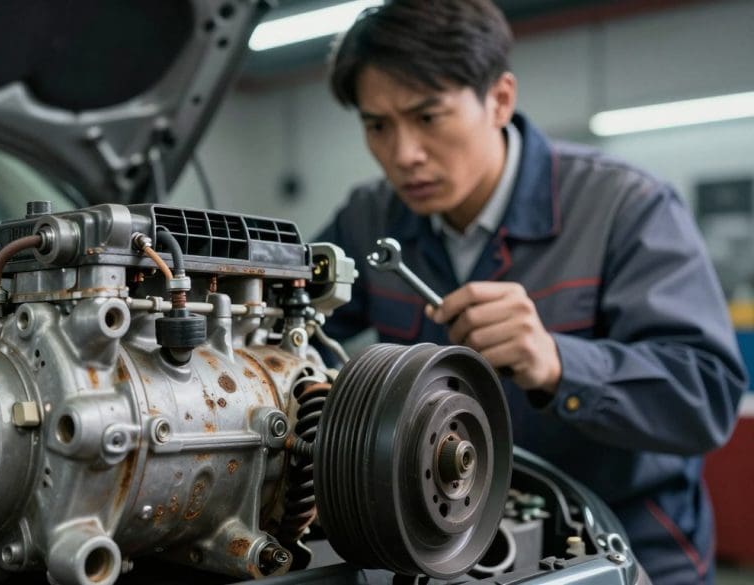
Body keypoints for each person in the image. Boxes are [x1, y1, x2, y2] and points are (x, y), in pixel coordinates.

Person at [315, 1, 748, 583]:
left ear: (499, 99)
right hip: (442, 543)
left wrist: (560, 363)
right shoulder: (370, 219)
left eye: (427, 117)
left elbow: (708, 397)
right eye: (377, 126)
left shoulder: (626, 207)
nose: (403, 155)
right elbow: (294, 328)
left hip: (624, 550)